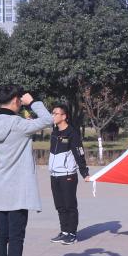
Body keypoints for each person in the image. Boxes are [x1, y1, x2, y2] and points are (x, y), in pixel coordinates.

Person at [0, 85, 53, 256]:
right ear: (16, 100)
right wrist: (33, 102)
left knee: (1, 235)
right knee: (16, 236)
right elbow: (49, 120)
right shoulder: (17, 123)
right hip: (19, 187)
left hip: (1, 184)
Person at [48, 104, 90, 245]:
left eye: (56, 113)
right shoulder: (54, 132)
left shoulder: (72, 133)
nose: (53, 116)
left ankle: (72, 234)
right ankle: (64, 231)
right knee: (59, 205)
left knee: (69, 205)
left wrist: (84, 172)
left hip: (67, 175)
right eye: (52, 113)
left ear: (64, 116)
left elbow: (79, 153)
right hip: (54, 174)